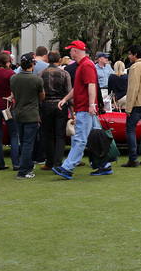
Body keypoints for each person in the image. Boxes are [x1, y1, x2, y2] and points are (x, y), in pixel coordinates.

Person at [53, 40, 112, 179]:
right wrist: (66, 99)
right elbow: (80, 88)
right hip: (86, 108)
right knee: (93, 137)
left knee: (80, 139)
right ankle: (104, 165)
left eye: (71, 50)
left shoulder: (85, 65)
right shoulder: (84, 65)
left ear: (75, 51)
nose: (69, 53)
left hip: (85, 109)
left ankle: (67, 168)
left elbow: (91, 85)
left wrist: (91, 104)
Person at [10, 53, 45, 179]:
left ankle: (27, 165)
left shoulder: (14, 78)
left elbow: (14, 93)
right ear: (32, 64)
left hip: (18, 113)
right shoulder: (37, 79)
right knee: (28, 143)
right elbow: (42, 97)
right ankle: (23, 171)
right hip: (31, 114)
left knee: (23, 141)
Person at [39, 51, 72, 170]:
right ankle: (58, 163)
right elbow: (69, 93)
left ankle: (50, 162)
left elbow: (39, 93)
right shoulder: (64, 74)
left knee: (48, 135)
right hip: (60, 105)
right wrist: (72, 110)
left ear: (47, 59)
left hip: (46, 105)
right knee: (60, 135)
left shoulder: (40, 74)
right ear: (59, 60)